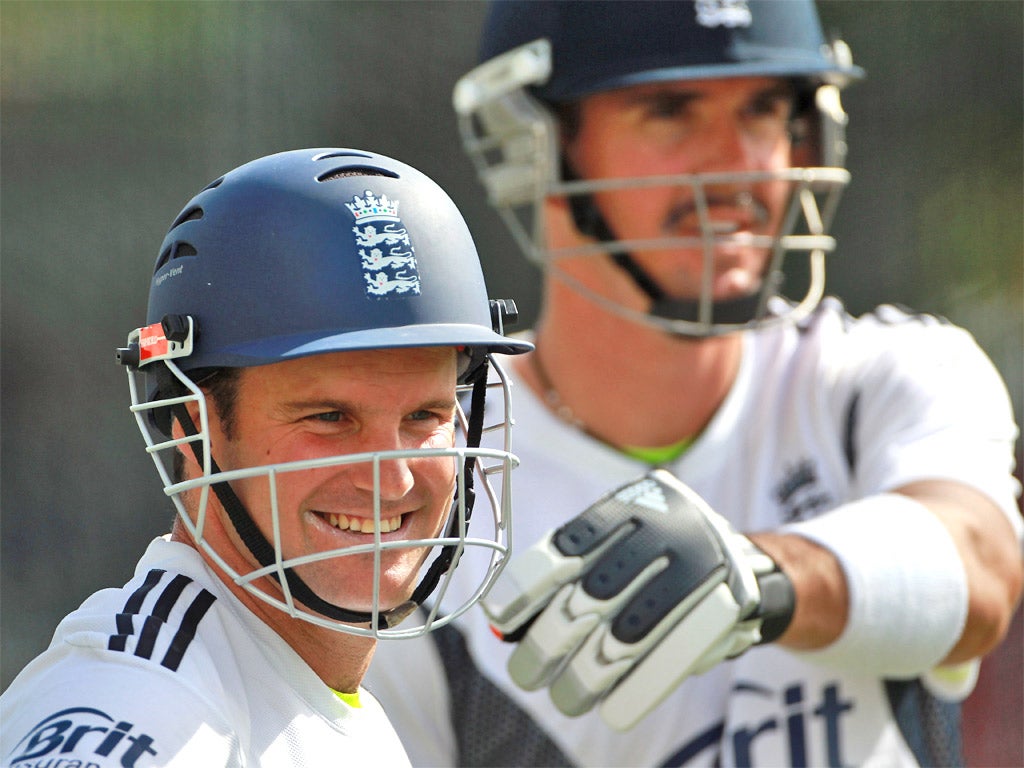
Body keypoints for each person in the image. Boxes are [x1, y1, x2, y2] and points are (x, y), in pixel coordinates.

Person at [363, 2, 1024, 766]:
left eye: (766, 108)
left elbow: (978, 570)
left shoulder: (880, 376)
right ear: (530, 140)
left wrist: (758, 577)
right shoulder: (431, 473)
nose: (736, 163)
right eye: (670, 110)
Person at [0, 147, 532, 767]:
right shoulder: (137, 704)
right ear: (194, 425)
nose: (392, 480)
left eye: (424, 416)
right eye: (329, 418)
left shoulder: (306, 698)